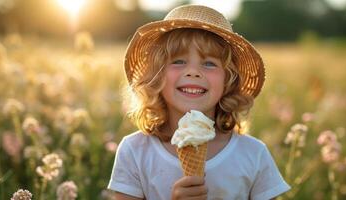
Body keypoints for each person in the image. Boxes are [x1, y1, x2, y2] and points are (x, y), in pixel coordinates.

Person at [108, 4, 291, 200]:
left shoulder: (253, 154)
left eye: (209, 63)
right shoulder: (135, 151)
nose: (193, 72)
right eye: (178, 61)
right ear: (157, 76)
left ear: (228, 81)